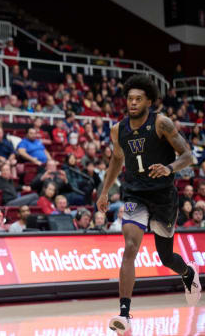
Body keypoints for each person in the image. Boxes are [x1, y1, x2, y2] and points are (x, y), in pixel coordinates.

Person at [97, 75, 199, 334]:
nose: (132, 103)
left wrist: (168, 168)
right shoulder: (118, 130)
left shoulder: (161, 123)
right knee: (130, 247)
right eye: (130, 98)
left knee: (165, 256)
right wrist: (105, 191)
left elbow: (189, 155)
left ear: (149, 101)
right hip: (134, 195)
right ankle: (124, 314)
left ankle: (187, 273)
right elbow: (116, 161)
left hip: (163, 196)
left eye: (138, 99)